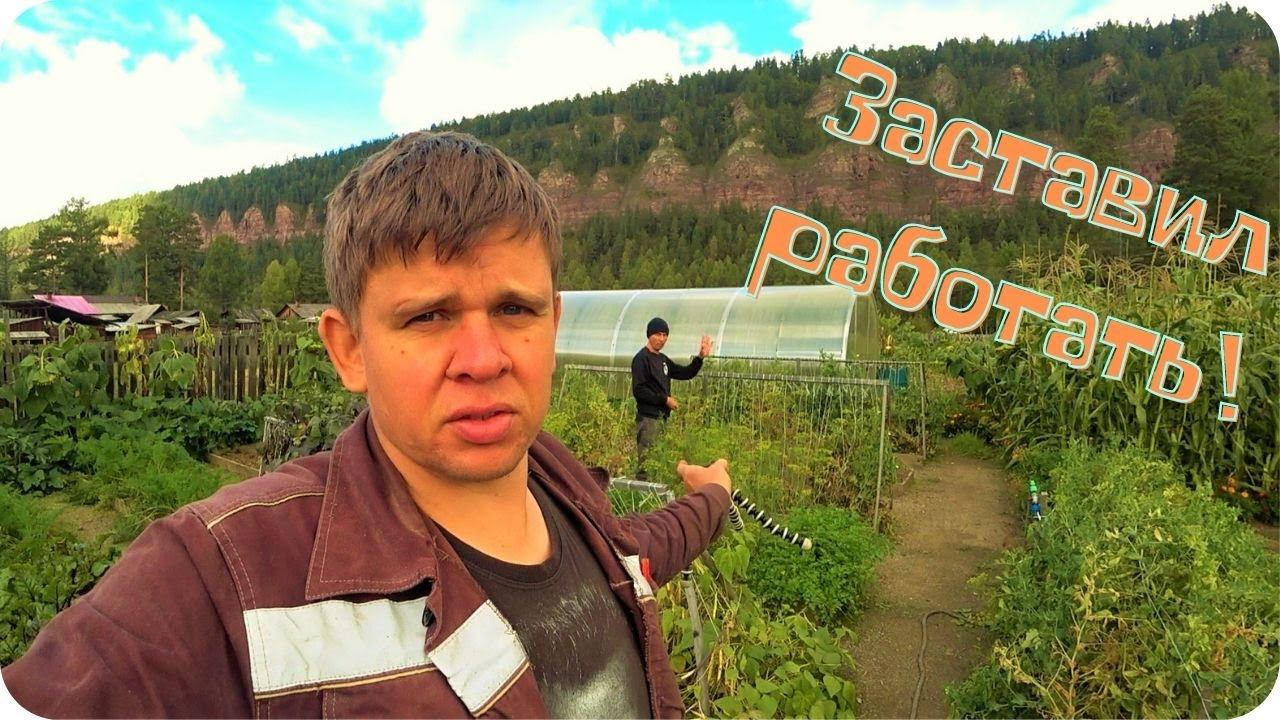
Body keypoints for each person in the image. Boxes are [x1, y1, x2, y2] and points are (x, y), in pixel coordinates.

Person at [1, 131, 732, 718]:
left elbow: (639, 550)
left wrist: (714, 497)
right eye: (428, 316)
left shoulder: (566, 491)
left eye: (515, 309)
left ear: (553, 321)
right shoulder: (226, 576)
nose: (484, 359)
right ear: (349, 349)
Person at [631, 318, 713, 481]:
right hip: (648, 419)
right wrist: (665, 399)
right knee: (646, 463)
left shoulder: (662, 360)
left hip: (661, 418)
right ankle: (641, 492)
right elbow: (639, 390)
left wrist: (700, 357)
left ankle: (655, 492)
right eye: (658, 334)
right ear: (649, 335)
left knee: (658, 460)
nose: (661, 339)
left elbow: (684, 373)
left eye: (665, 335)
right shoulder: (641, 359)